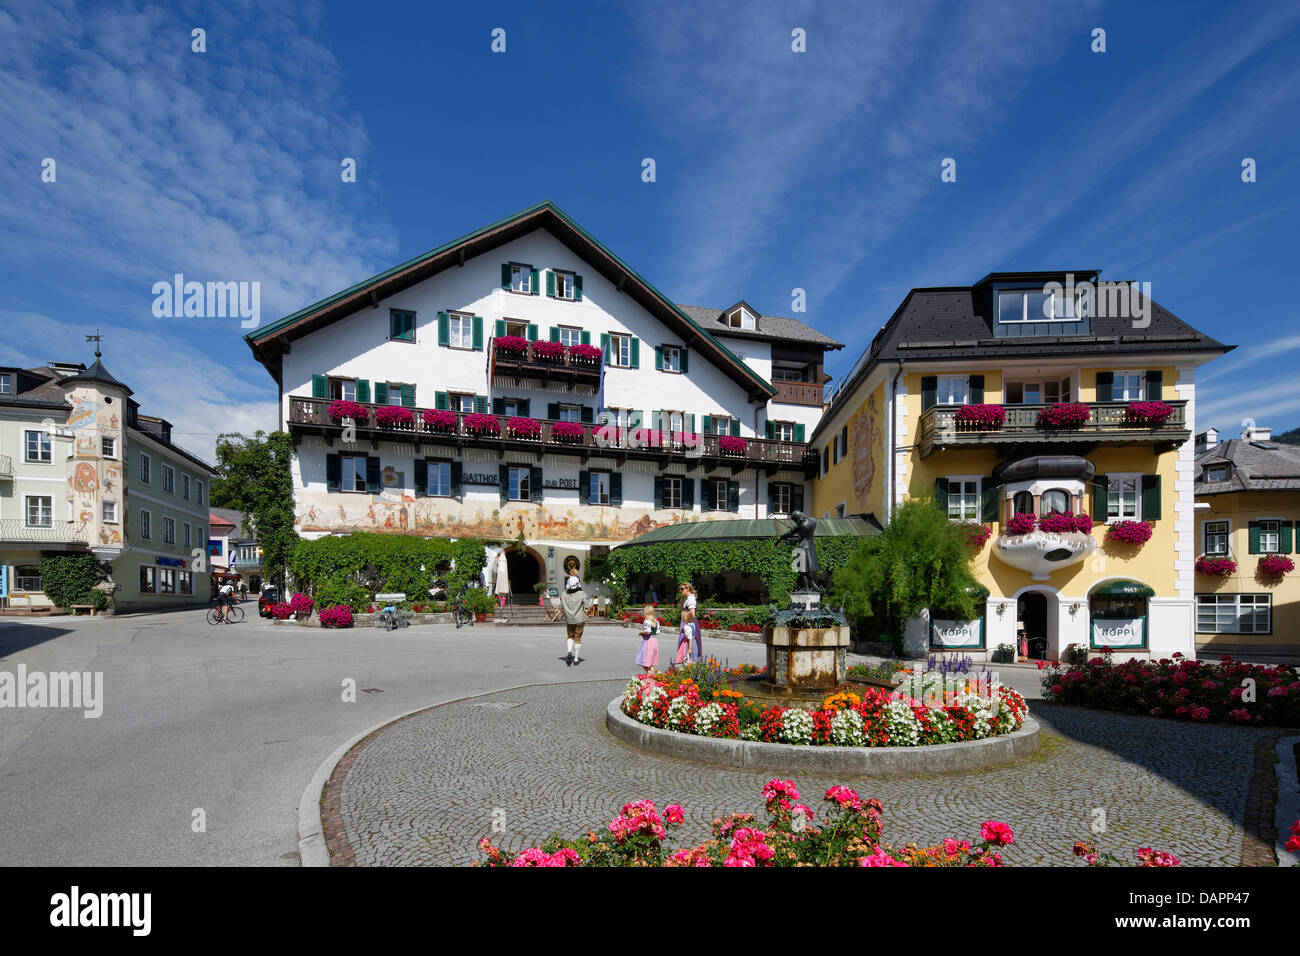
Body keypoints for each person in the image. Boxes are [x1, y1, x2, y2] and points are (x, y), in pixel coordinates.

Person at [560, 564, 591, 666]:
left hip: (569, 619)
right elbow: (586, 605)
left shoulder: (564, 594)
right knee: (578, 638)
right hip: (580, 619)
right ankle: (576, 659)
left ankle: (569, 651)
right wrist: (585, 609)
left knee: (570, 636)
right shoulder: (582, 594)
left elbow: (561, 607)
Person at [634, 605, 659, 673]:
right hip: (654, 641)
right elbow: (657, 632)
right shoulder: (656, 622)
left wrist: (642, 633)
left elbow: (648, 632)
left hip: (648, 641)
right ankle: (653, 675)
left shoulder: (647, 622)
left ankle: (650, 675)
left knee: (644, 661)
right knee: (651, 662)